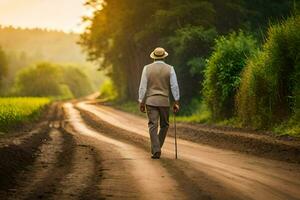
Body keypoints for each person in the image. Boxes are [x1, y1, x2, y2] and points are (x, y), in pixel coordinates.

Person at [138, 47, 180, 159]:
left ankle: (156, 149)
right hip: (164, 102)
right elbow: (174, 86)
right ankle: (157, 148)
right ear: (164, 56)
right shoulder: (170, 69)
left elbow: (143, 87)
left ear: (153, 57)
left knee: (152, 125)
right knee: (164, 125)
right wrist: (176, 101)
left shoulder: (146, 69)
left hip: (150, 101)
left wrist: (141, 101)